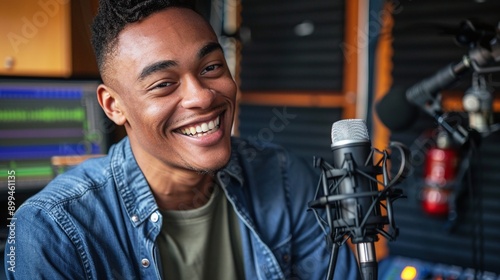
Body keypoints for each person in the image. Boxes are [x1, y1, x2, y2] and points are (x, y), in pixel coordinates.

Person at [5, 0, 360, 279]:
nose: (202, 97)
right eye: (164, 84)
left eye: (210, 68)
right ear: (114, 106)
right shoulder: (52, 229)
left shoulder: (283, 176)